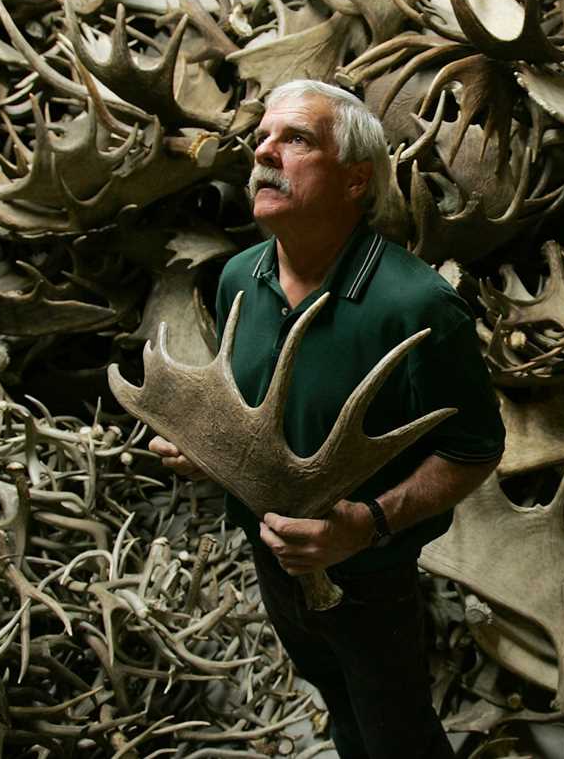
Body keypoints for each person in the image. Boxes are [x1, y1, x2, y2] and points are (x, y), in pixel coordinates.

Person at [148, 79, 505, 759]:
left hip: (369, 579)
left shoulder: (419, 307)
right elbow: (257, 420)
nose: (264, 151)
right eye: (262, 137)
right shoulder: (236, 281)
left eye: (296, 139)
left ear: (355, 181)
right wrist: (211, 453)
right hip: (271, 560)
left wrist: (367, 525)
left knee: (398, 732)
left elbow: (476, 447)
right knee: (337, 702)